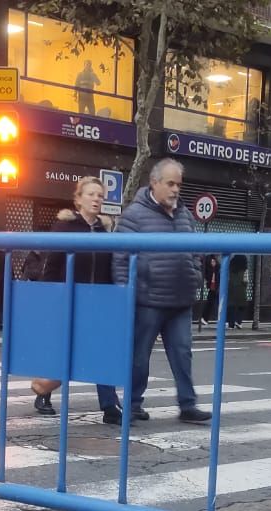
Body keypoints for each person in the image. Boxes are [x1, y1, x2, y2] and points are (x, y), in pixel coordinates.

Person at [112, 158, 210, 424]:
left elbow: (195, 252)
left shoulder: (184, 214)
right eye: (170, 183)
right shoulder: (134, 215)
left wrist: (195, 274)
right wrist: (125, 294)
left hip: (180, 299)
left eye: (179, 184)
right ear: (154, 183)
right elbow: (121, 258)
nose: (176, 189)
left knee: (182, 353)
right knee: (139, 356)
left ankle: (188, 405)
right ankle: (133, 405)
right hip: (148, 299)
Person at [30, 176, 124, 424]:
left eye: (100, 195)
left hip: (98, 300)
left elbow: (111, 267)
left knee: (101, 351)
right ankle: (44, 393)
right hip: (69, 298)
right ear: (78, 199)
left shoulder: (106, 230)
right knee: (63, 349)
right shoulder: (65, 227)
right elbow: (51, 264)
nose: (96, 199)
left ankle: (109, 405)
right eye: (91, 194)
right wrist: (49, 297)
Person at [225, 255, 248, 328]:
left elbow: (227, 279)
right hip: (241, 290)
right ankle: (239, 321)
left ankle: (230, 323)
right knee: (241, 307)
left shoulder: (230, 269)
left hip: (231, 289)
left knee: (231, 306)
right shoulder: (244, 270)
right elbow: (245, 281)